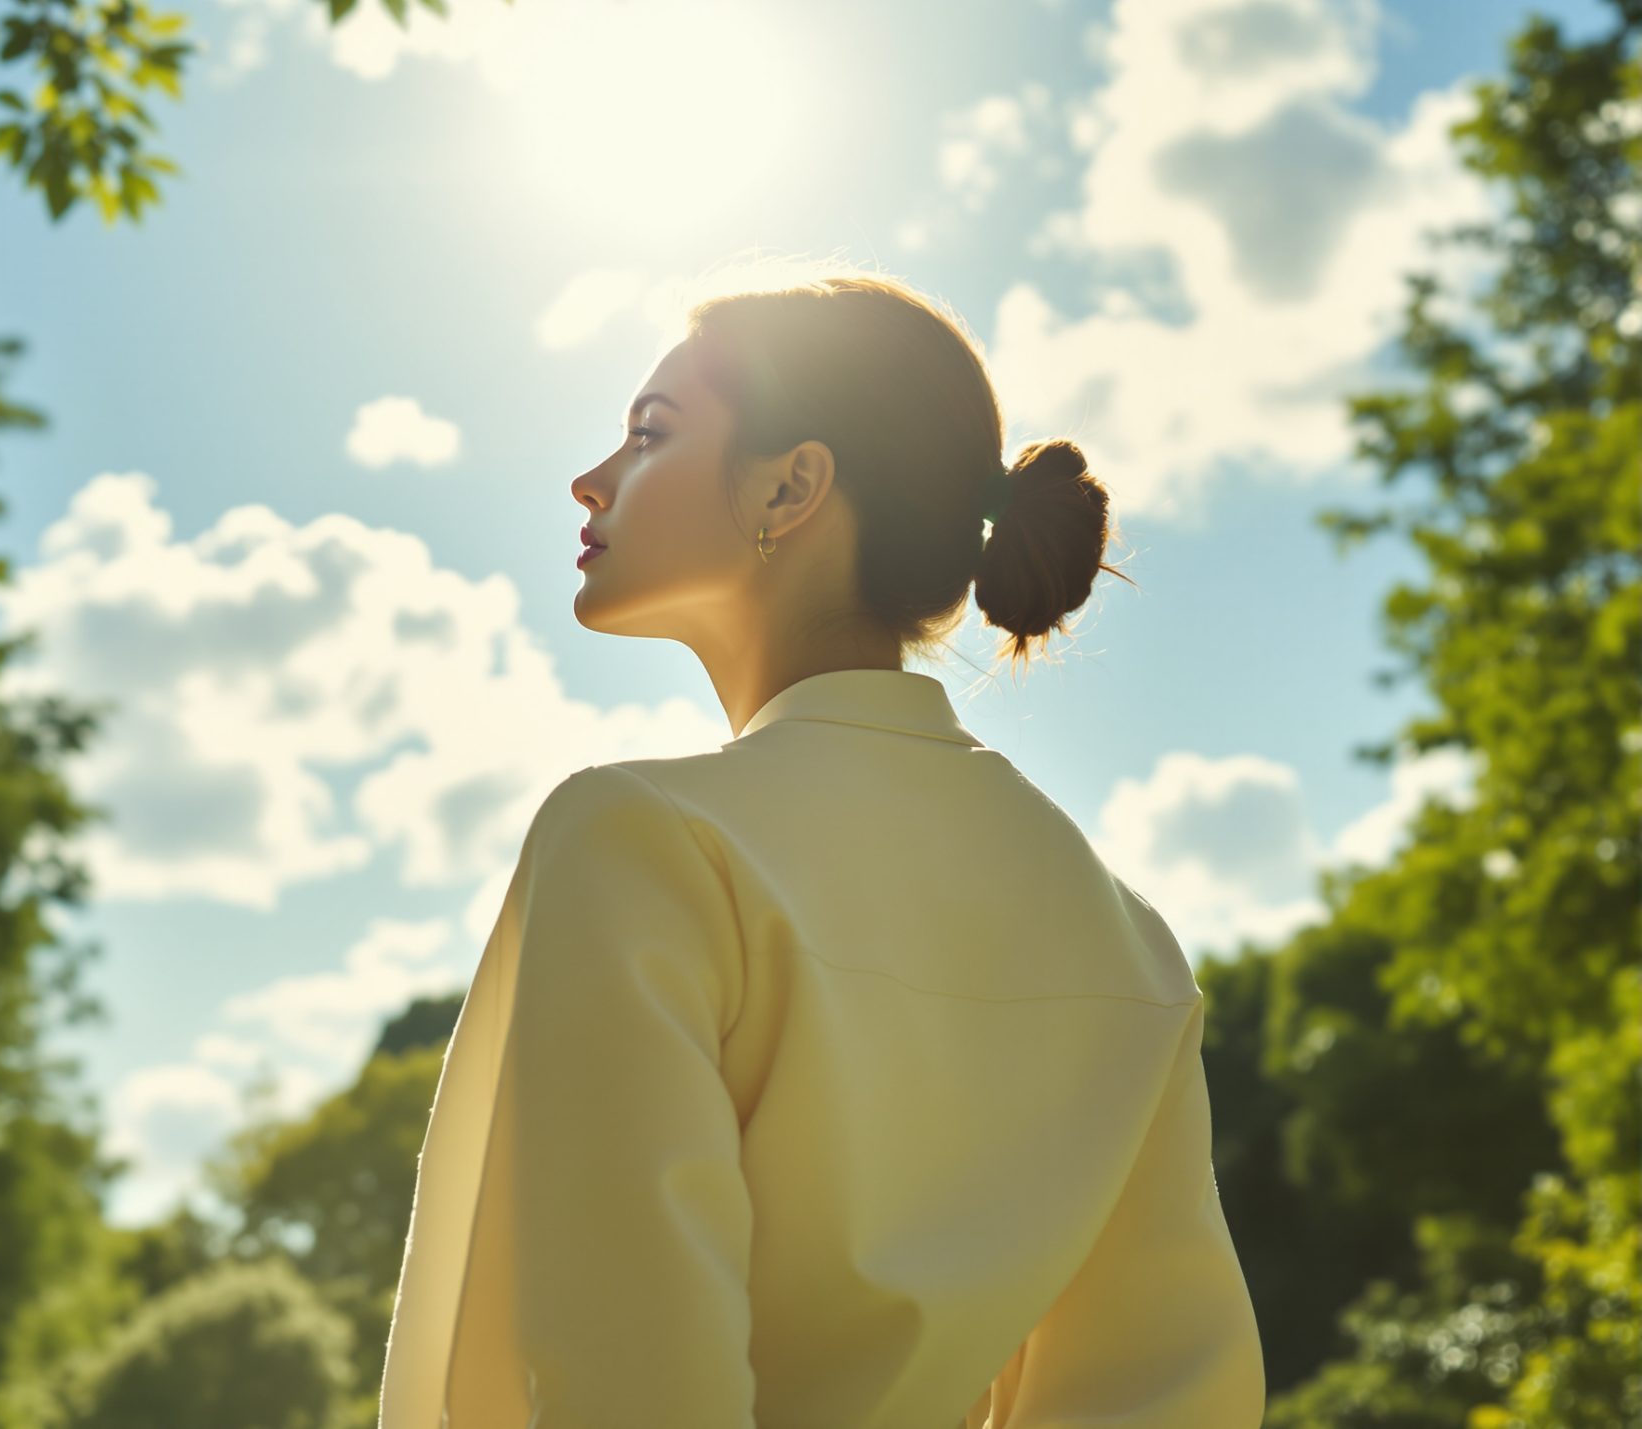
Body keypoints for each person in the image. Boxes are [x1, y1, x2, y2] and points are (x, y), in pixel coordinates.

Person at [374, 270, 1266, 1427]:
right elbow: (1164, 1396)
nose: (589, 478)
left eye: (650, 434)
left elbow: (634, 1389)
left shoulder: (640, 842)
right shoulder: (1127, 939)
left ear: (794, 484)